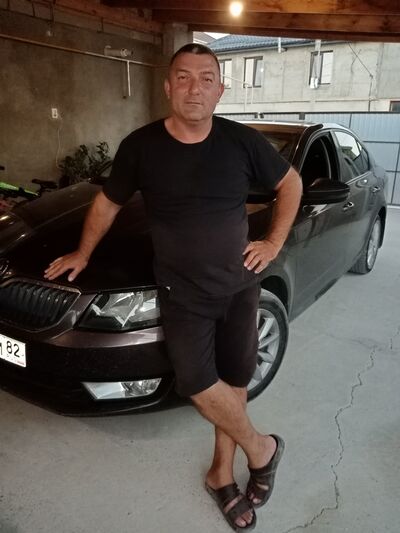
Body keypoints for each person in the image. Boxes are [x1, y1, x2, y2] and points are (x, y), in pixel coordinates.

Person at [45, 43, 302, 531]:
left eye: (206, 78)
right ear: (167, 86)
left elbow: (291, 184)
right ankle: (263, 450)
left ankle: (221, 475)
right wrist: (83, 253)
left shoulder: (242, 142)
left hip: (239, 287)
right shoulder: (141, 146)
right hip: (183, 293)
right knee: (198, 385)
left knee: (236, 380)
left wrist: (272, 242)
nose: (194, 88)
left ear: (221, 90)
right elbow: (107, 203)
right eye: (183, 77)